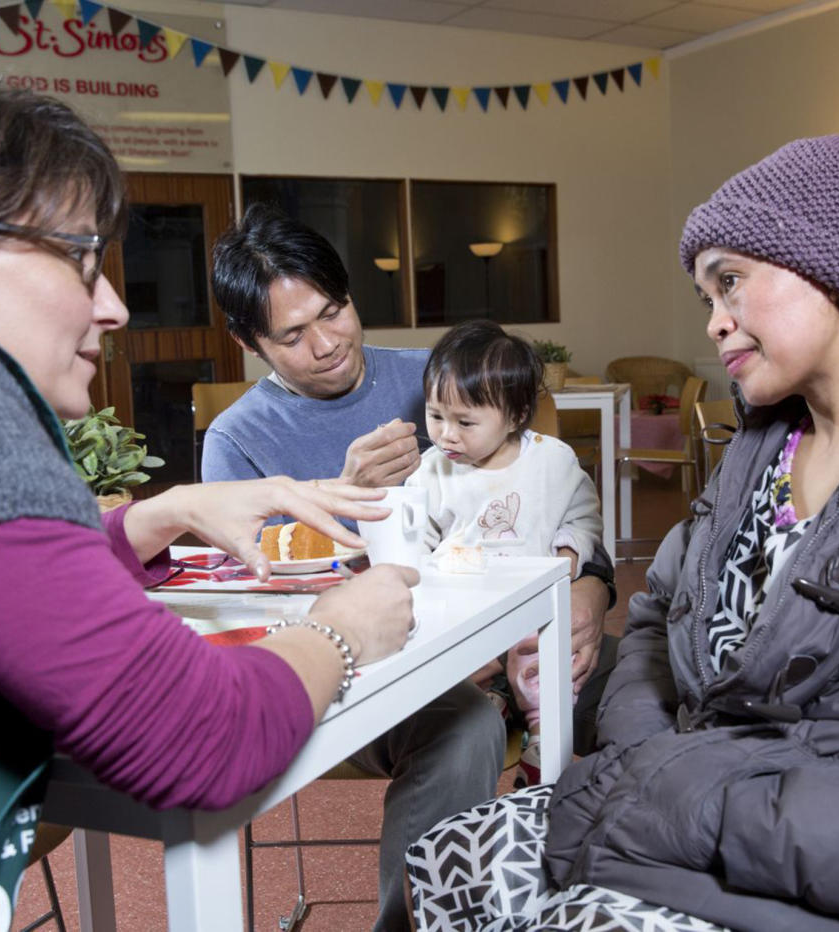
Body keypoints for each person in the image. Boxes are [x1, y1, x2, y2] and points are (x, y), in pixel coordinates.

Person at [0, 51, 420, 930]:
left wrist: (160, 514)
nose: (117, 307)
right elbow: (201, 737)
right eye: (83, 259)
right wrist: (342, 629)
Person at [406, 135, 839, 931]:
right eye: (707, 296)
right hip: (693, 795)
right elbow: (652, 621)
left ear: (834, 267)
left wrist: (694, 799)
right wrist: (650, 756)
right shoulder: (762, 446)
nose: (715, 322)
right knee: (444, 860)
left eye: (730, 282)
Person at [203, 203, 617, 932]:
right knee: (463, 730)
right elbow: (249, 598)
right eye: (294, 336)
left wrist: (586, 590)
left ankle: (599, 898)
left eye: (335, 311)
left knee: (644, 671)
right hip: (361, 676)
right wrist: (344, 489)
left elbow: (552, 496)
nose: (329, 344)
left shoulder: (442, 379)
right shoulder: (238, 441)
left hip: (514, 640)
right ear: (249, 341)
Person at [407, 320, 604, 788]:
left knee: (539, 659)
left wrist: (568, 556)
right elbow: (414, 535)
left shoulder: (551, 462)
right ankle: (490, 708)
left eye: (465, 422)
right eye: (435, 416)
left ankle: (540, 736)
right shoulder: (432, 472)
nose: (446, 435)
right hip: (466, 610)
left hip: (531, 607)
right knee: (460, 669)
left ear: (516, 416)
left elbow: (584, 517)